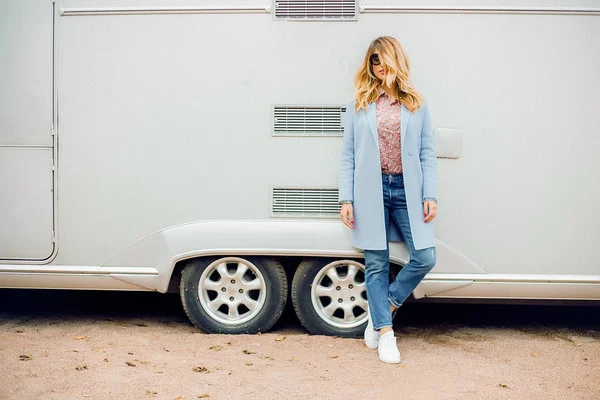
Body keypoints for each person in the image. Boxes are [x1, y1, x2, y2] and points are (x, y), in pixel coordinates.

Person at [338, 36, 438, 364]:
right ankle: (385, 333)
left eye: (384, 60)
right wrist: (346, 198)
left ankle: (386, 307)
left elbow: (426, 152)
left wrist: (429, 193)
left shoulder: (416, 102)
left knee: (425, 256)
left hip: (407, 191)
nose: (380, 67)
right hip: (372, 189)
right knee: (376, 262)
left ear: (397, 60)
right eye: (374, 62)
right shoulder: (360, 102)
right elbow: (348, 155)